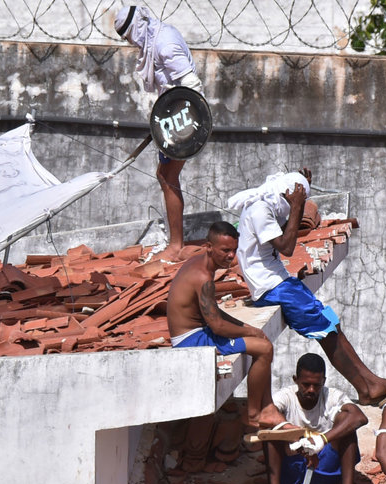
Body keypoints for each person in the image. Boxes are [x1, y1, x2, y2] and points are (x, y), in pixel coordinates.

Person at [228, 168, 386, 407]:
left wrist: (299, 199)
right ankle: (368, 387)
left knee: (332, 322)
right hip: (271, 288)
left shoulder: (269, 207)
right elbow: (287, 247)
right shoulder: (260, 210)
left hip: (281, 282)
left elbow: (287, 230)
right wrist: (296, 207)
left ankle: (370, 383)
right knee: (325, 330)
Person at [167, 221, 280, 428]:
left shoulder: (200, 265)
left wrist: (249, 328)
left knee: (258, 338)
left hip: (198, 331)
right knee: (264, 349)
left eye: (234, 250)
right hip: (190, 340)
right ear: (209, 247)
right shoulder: (203, 278)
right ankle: (254, 414)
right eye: (225, 250)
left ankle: (268, 406)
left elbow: (214, 313)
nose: (231, 256)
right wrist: (249, 330)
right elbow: (218, 326)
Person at [115, 5, 204, 262]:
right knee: (164, 175)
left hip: (183, 121)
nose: (130, 41)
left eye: (129, 34)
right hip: (171, 119)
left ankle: (176, 246)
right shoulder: (158, 37)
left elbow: (190, 85)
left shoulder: (164, 44)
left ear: (138, 26)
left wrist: (179, 128)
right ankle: (174, 241)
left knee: (167, 176)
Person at [263, 353, 370, 484]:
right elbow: (265, 416)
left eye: (316, 385)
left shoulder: (332, 396)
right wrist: (300, 436)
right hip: (294, 469)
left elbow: (359, 417)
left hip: (327, 467)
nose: (311, 390)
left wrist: (321, 440)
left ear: (324, 381)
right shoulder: (285, 396)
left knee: (348, 424)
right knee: (270, 432)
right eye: (305, 384)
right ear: (295, 379)